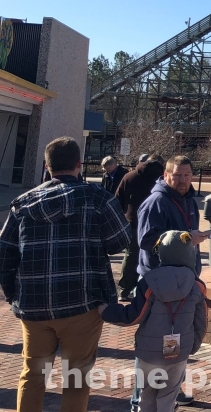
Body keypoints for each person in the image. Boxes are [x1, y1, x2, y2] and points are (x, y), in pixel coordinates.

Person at [0, 136, 133, 412]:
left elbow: (5, 254)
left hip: (33, 306)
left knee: (32, 375)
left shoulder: (22, 203)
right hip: (81, 305)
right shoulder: (99, 199)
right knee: (76, 379)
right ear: (79, 164)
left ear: (47, 166)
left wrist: (15, 296)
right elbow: (119, 242)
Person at [103, 230, 208, 412]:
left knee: (147, 395)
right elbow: (201, 322)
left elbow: (133, 316)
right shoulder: (197, 285)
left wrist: (106, 311)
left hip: (149, 353)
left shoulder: (148, 282)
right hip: (179, 351)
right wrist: (192, 346)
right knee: (168, 397)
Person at [135, 155, 210, 409]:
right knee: (151, 340)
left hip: (183, 280)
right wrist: (187, 237)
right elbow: (146, 240)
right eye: (177, 175)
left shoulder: (188, 200)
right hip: (157, 281)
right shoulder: (155, 202)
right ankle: (139, 399)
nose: (182, 181)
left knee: (175, 339)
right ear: (165, 175)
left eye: (187, 176)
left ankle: (174, 389)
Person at [115, 154, 166, 300]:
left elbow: (118, 198)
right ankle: (151, 291)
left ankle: (124, 290)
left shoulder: (129, 177)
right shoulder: (163, 180)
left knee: (131, 256)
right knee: (156, 257)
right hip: (156, 223)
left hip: (133, 222)